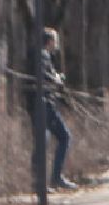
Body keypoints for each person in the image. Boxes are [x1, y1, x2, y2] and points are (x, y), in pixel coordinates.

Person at [24, 28, 76, 190]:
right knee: (64, 137)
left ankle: (38, 183)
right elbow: (44, 77)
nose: (56, 44)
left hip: (37, 105)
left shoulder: (36, 55)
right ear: (49, 41)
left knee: (42, 142)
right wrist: (57, 79)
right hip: (44, 105)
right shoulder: (43, 55)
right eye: (55, 40)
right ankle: (55, 177)